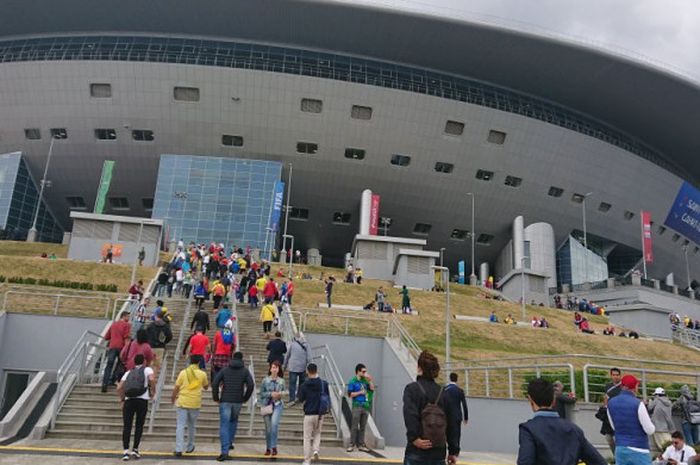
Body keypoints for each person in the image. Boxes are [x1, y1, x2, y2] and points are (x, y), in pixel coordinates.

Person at [517, 378, 606, 465]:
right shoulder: (574, 429)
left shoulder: (528, 429)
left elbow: (525, 461)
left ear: (530, 399)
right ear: (554, 399)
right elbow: (599, 462)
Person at [402, 351, 459, 465]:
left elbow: (410, 415)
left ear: (419, 368)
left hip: (416, 451)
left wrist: (414, 439)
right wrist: (453, 451)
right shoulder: (444, 393)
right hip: (438, 452)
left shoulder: (411, 389)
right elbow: (453, 422)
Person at [212, 352, 254, 462]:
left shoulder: (225, 369)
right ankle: (230, 442)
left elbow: (215, 382)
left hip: (225, 400)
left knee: (224, 425)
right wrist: (245, 398)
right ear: (242, 359)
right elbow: (251, 385)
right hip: (238, 401)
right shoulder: (245, 371)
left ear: (232, 358)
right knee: (233, 421)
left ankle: (224, 452)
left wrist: (216, 397)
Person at [607, 374, 655, 464]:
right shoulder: (638, 404)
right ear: (635, 387)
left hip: (620, 448)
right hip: (639, 449)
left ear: (621, 386)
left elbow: (614, 427)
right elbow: (649, 430)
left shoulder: (610, 403)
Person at [117, 353, 155, 461]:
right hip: (142, 400)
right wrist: (153, 391)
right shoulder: (147, 370)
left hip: (129, 401)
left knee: (127, 426)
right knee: (139, 425)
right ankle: (135, 449)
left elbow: (119, 387)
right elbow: (152, 380)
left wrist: (122, 399)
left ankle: (125, 451)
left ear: (134, 362)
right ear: (144, 361)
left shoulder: (128, 372)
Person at [172, 355, 209, 457]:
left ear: (190, 362)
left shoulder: (183, 373)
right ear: (198, 363)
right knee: (192, 425)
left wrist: (173, 398)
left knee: (180, 426)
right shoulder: (202, 374)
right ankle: (190, 446)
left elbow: (176, 387)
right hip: (195, 403)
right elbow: (206, 387)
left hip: (182, 401)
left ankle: (178, 449)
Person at [299, 363, 330, 465]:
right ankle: (316, 450)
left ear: (307, 371)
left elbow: (301, 399)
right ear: (317, 371)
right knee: (317, 433)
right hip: (320, 414)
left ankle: (307, 460)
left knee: (307, 438)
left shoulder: (304, 384)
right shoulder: (323, 383)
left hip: (308, 414)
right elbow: (327, 397)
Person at [259, 361, 286, 456]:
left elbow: (284, 392)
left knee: (274, 424)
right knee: (268, 428)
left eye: (276, 367)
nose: (274, 369)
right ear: (270, 369)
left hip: (278, 405)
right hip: (266, 405)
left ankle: (274, 447)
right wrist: (270, 394)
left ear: (279, 369)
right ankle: (268, 447)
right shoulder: (265, 380)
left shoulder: (282, 381)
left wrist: (280, 394)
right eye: (273, 367)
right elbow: (261, 393)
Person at [347, 363, 375, 453]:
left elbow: (372, 389)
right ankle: (351, 444)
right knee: (354, 426)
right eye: (363, 371)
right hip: (357, 405)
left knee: (363, 426)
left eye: (365, 371)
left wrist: (370, 380)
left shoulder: (365, 381)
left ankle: (361, 444)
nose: (365, 373)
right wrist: (360, 392)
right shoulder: (353, 381)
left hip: (365, 406)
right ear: (358, 371)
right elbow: (350, 394)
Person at [102, 311, 132, 392]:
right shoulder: (127, 325)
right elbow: (126, 337)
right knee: (120, 364)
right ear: (124, 316)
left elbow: (106, 337)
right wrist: (127, 349)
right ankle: (113, 379)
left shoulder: (114, 324)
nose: (129, 319)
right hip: (121, 347)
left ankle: (104, 383)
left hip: (112, 346)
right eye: (128, 317)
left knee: (109, 365)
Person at [444, 372, 469, 458]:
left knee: (447, 432)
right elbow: (464, 405)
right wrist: (466, 417)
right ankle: (456, 450)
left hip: (447, 415)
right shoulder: (460, 391)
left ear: (449, 378)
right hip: (457, 416)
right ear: (457, 379)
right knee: (457, 433)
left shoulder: (445, 389)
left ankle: (449, 449)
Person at [284, 335, 311, 407]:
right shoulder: (306, 345)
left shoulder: (292, 344)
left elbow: (287, 356)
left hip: (293, 367)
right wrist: (309, 369)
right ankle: (299, 398)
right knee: (302, 384)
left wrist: (284, 366)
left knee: (292, 384)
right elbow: (309, 358)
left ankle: (292, 400)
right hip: (303, 367)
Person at [648, 387, 675, 455]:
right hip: (666, 427)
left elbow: (649, 407)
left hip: (657, 427)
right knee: (670, 446)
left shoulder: (657, 400)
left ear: (657, 395)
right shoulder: (669, 402)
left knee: (663, 449)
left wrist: (650, 401)